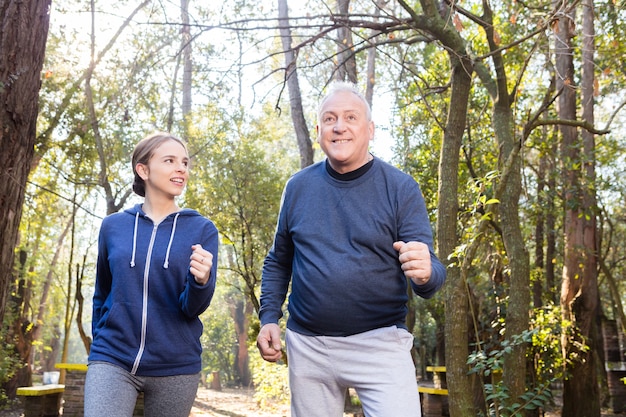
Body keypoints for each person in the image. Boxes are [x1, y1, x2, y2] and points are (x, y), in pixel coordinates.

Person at [256, 81, 446, 417]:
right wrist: (269, 317)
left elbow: (429, 275)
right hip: (309, 346)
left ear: (370, 129)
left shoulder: (400, 188)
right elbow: (278, 261)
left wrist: (427, 272)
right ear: (318, 130)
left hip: (381, 345)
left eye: (350, 117)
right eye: (329, 119)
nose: (339, 126)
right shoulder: (298, 187)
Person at [85, 132, 218, 417]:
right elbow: (102, 293)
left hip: (175, 365)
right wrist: (100, 346)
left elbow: (193, 307)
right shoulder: (113, 226)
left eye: (184, 162)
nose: (181, 168)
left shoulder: (202, 230)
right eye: (169, 160)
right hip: (113, 358)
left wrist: (202, 281)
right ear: (143, 170)